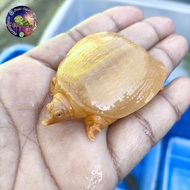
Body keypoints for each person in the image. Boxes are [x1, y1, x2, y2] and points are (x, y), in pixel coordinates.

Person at [0, 6, 189, 190]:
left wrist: (94, 121)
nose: (48, 120)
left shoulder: (65, 84)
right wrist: (94, 123)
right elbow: (102, 116)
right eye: (54, 113)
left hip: (126, 62)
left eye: (56, 114)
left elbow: (102, 114)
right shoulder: (62, 82)